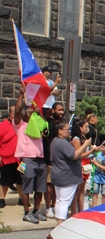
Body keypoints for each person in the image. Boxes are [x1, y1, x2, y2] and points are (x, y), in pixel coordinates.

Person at [12, 85, 48, 223]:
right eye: (30, 112)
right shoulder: (20, 125)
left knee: (40, 187)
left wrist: (38, 113)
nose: (33, 113)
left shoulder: (38, 124)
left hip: (39, 159)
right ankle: (27, 212)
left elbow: (46, 127)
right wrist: (21, 94)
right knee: (27, 188)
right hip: (27, 160)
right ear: (25, 114)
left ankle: (36, 210)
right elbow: (18, 110)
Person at [50, 121, 92, 226]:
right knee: (64, 202)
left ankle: (58, 223)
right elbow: (74, 155)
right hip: (66, 177)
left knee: (60, 200)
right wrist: (85, 145)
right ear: (60, 131)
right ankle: (60, 224)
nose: (69, 131)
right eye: (67, 129)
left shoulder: (55, 141)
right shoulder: (62, 142)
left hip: (59, 175)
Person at [70, 120, 98, 214]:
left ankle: (80, 211)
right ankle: (74, 212)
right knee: (77, 190)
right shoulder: (77, 139)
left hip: (86, 164)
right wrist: (91, 151)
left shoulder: (83, 138)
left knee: (82, 190)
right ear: (80, 128)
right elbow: (79, 155)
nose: (87, 129)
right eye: (85, 127)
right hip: (80, 165)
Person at [42, 102, 65, 219]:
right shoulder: (47, 123)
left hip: (61, 161)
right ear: (52, 110)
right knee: (49, 184)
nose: (61, 112)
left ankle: (55, 205)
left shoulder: (64, 124)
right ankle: (48, 206)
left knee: (58, 185)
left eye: (62, 110)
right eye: (59, 110)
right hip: (49, 159)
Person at [0, 105, 22, 208]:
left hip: (20, 160)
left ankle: (22, 199)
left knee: (21, 180)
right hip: (6, 159)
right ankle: (2, 199)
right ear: (12, 115)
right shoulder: (3, 125)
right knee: (4, 181)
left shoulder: (22, 125)